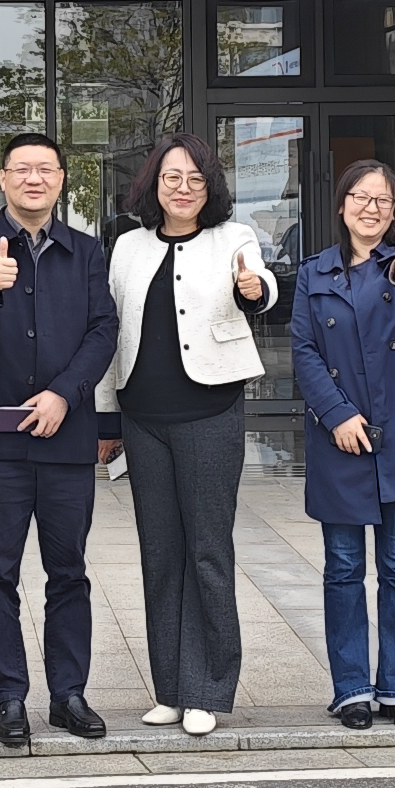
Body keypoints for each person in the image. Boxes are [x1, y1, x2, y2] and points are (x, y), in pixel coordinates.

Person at [0, 133, 118, 747]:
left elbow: (103, 330)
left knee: (68, 571)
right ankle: (10, 697)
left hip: (67, 436)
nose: (33, 179)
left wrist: (64, 393)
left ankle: (69, 694)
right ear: (3, 178)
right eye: (22, 169)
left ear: (61, 179)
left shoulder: (86, 251)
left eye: (45, 169)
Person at [97, 132, 276, 737]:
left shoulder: (234, 237)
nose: (182, 188)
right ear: (154, 184)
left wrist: (255, 290)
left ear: (210, 186)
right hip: (142, 418)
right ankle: (171, 689)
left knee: (207, 551)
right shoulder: (128, 246)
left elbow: (261, 286)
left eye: (195, 178)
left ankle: (208, 689)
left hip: (209, 411)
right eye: (171, 177)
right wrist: (106, 418)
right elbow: (111, 333)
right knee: (160, 554)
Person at [292, 159, 395, 732]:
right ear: (342, 205)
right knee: (343, 567)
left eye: (383, 201)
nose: (371, 208)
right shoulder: (313, 273)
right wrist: (336, 414)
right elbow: (304, 351)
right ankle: (351, 689)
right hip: (339, 437)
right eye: (361, 198)